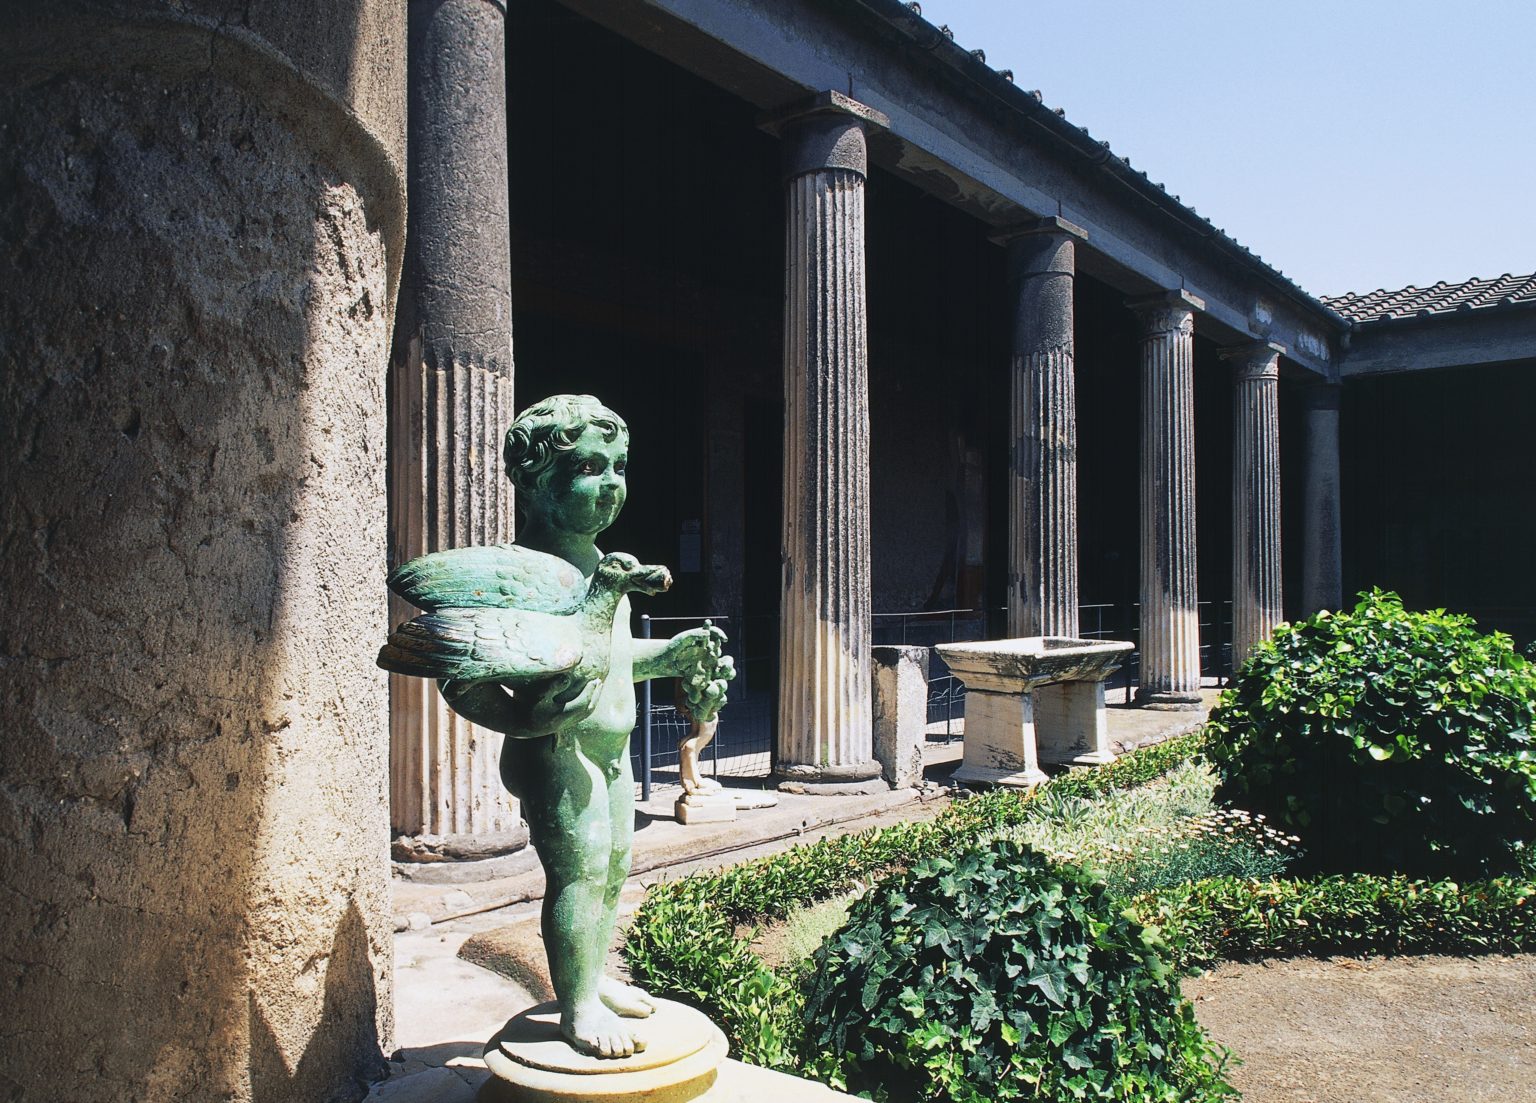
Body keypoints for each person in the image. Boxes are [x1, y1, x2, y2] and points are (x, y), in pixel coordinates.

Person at [426, 394, 727, 1058]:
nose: (611, 483)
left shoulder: (600, 563)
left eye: (618, 466)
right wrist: (522, 718)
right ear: (533, 481)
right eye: (589, 467)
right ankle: (578, 1005)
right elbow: (461, 672)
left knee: (614, 867)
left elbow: (611, 656)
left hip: (613, 749)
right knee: (580, 874)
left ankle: (591, 977)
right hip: (560, 751)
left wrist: (670, 655)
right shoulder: (523, 575)